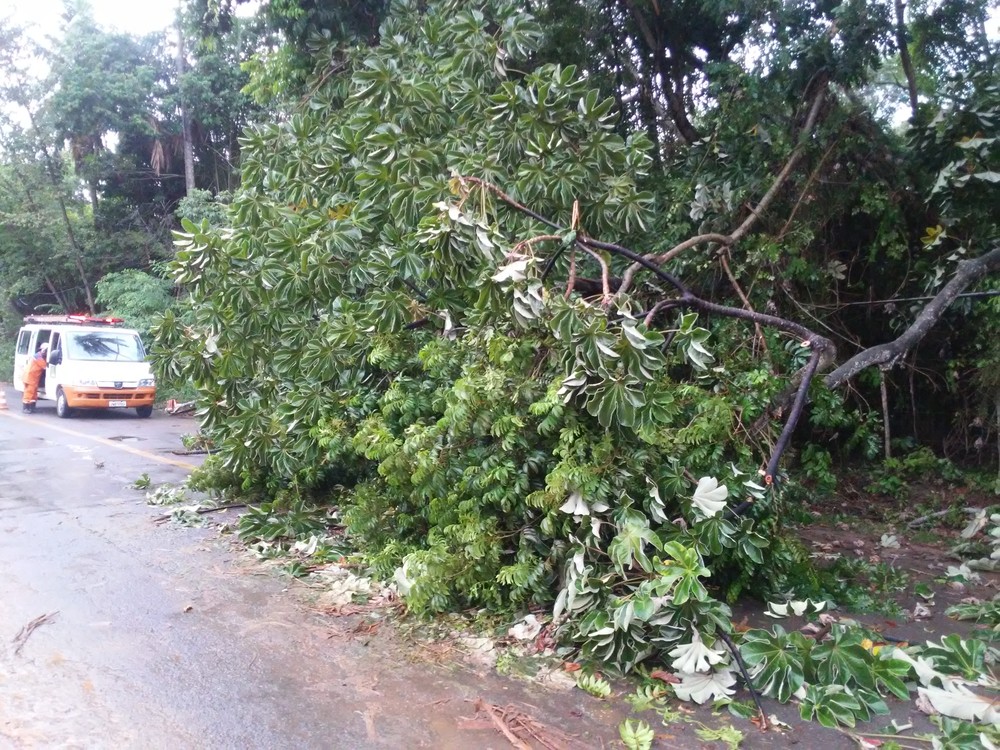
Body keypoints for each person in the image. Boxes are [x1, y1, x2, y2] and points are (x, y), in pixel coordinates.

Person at [22, 342, 49, 413]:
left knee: (33, 393)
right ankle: (26, 408)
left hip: (33, 378)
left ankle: (31, 407)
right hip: (30, 377)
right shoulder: (38, 357)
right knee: (29, 392)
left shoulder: (39, 356)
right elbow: (45, 366)